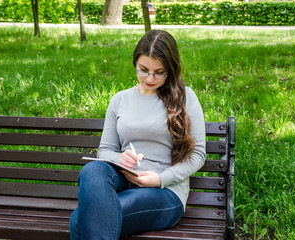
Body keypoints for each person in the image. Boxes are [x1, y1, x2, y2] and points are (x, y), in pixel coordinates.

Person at [70, 30, 206, 240]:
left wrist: (159, 179)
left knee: (80, 220)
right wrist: (119, 158)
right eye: (143, 70)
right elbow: (105, 150)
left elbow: (198, 155)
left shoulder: (186, 97)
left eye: (159, 72)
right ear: (135, 62)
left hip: (165, 192)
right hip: (124, 180)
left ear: (171, 69)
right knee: (92, 170)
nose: (150, 78)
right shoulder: (120, 100)